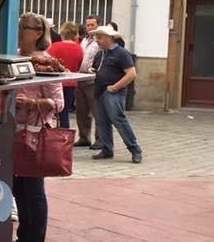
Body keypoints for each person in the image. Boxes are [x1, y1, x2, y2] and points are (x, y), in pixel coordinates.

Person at [12, 12, 65, 242]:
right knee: (18, 187)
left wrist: (32, 103)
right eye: (19, 26)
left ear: (39, 33)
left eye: (26, 28)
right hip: (14, 131)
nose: (20, 31)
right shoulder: (14, 57)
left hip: (35, 133)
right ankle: (24, 236)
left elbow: (59, 103)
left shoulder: (46, 62)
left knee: (33, 189)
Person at [90, 25, 142, 164]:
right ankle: (107, 149)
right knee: (102, 122)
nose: (97, 40)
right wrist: (92, 71)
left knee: (118, 120)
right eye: (96, 37)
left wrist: (115, 87)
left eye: (99, 37)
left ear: (109, 38)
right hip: (100, 91)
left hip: (114, 93)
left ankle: (135, 149)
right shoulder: (101, 54)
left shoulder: (121, 53)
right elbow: (96, 68)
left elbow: (131, 74)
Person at [47, 22, 83, 129]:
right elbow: (79, 65)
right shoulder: (79, 48)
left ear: (62, 33)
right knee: (64, 112)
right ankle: (65, 135)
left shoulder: (54, 46)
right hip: (71, 83)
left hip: (56, 83)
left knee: (53, 112)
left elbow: (48, 62)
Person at [75, 15, 101, 149]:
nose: (90, 27)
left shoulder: (100, 41)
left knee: (97, 111)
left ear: (98, 25)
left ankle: (100, 139)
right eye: (88, 25)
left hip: (93, 80)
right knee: (82, 111)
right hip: (81, 78)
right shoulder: (84, 40)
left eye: (92, 25)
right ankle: (84, 137)